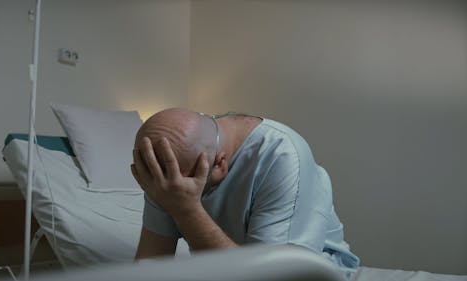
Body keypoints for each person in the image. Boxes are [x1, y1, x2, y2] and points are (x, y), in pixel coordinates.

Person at [130, 108, 359, 275]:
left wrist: (185, 208)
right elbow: (151, 264)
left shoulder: (281, 155)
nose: (165, 191)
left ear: (220, 165)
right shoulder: (169, 162)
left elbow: (275, 277)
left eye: (182, 187)